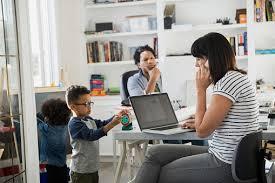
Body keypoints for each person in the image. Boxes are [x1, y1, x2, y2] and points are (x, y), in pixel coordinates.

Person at [135, 32, 260, 183]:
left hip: (226, 163)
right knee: (154, 153)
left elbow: (202, 132)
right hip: (228, 156)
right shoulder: (235, 77)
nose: (196, 64)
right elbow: (222, 120)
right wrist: (202, 121)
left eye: (199, 58)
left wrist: (200, 90)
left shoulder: (228, 82)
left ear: (213, 58)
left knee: (161, 172)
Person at [66, 85, 128, 183]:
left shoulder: (88, 119)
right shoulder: (75, 124)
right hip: (81, 171)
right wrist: (112, 124)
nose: (89, 107)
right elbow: (91, 135)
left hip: (92, 168)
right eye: (86, 104)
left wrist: (116, 116)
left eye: (90, 103)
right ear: (73, 106)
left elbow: (102, 124)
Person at [37, 98, 72, 183]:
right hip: (62, 165)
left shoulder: (46, 129)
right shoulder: (64, 126)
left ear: (48, 117)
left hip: (50, 166)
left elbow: (37, 117)